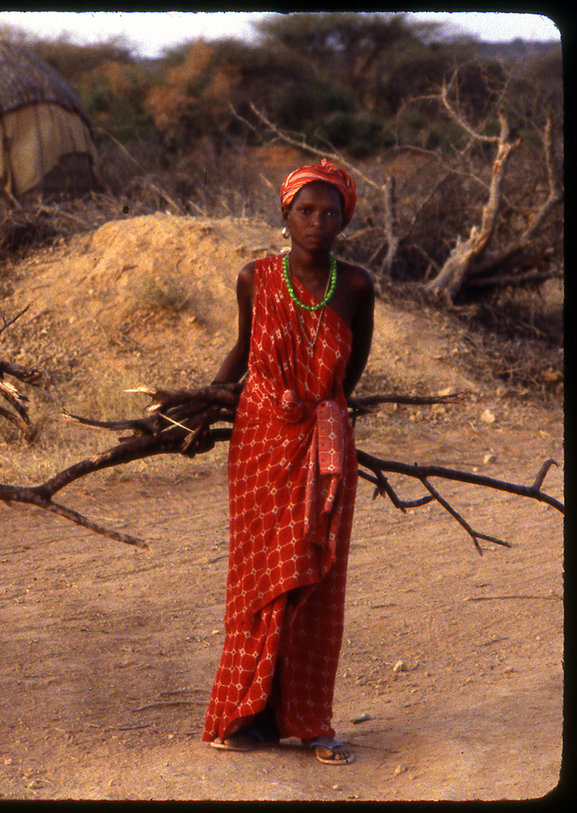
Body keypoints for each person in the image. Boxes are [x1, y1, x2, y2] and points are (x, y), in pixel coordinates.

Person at [200, 159, 374, 765]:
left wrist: (319, 407)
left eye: (330, 213)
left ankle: (304, 717)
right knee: (257, 580)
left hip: (324, 443)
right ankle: (244, 716)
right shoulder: (255, 278)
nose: (317, 223)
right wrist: (202, 406)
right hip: (260, 444)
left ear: (345, 219)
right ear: (285, 215)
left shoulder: (355, 286)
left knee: (315, 582)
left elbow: (350, 374)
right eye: (306, 211)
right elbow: (243, 349)